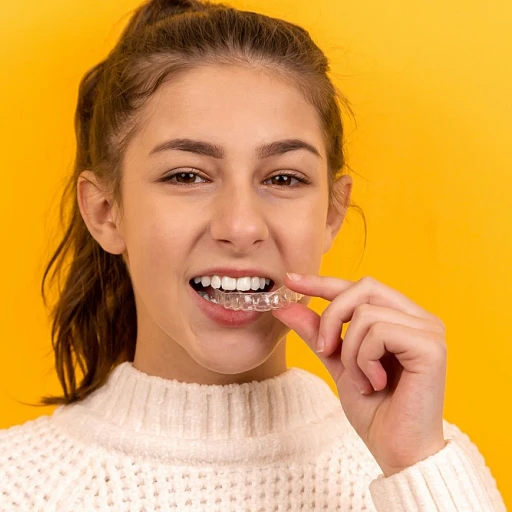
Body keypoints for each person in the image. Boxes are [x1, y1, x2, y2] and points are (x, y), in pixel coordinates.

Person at [0, 0, 506, 510]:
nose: (241, 228)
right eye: (187, 176)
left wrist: (414, 466)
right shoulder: (18, 485)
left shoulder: (429, 470)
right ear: (107, 212)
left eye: (283, 178)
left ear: (332, 213)